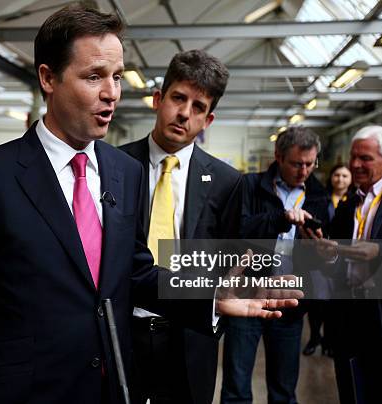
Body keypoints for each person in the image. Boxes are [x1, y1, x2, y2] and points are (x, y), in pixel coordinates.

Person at [0, 5, 301, 403]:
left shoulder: (124, 172)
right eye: (94, 76)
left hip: (112, 386)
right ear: (48, 77)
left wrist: (207, 294)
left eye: (117, 76)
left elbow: (133, 271)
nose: (112, 93)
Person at [119, 49, 241, 404]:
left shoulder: (226, 182)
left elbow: (226, 262)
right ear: (158, 99)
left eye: (198, 107)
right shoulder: (114, 166)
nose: (185, 113)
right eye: (178, 98)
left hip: (191, 338)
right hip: (124, 333)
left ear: (208, 120)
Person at [221, 127, 329, 404]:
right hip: (247, 296)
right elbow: (239, 229)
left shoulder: (318, 196)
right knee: (236, 387)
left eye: (310, 163)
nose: (304, 170)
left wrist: (320, 250)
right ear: (278, 157)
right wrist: (281, 220)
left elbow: (323, 256)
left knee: (284, 389)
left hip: (289, 303)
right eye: (296, 163)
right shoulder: (250, 186)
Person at [311, 125, 382, 404]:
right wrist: (328, 255)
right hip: (349, 320)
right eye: (353, 157)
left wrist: (380, 252)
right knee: (354, 395)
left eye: (365, 158)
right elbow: (336, 268)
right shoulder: (347, 204)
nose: (355, 164)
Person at [303, 163, 353, 356]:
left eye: (345, 176)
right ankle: (315, 337)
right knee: (316, 301)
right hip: (319, 256)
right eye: (337, 175)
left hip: (345, 259)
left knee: (335, 303)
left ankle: (330, 341)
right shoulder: (321, 199)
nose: (340, 179)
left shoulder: (356, 201)